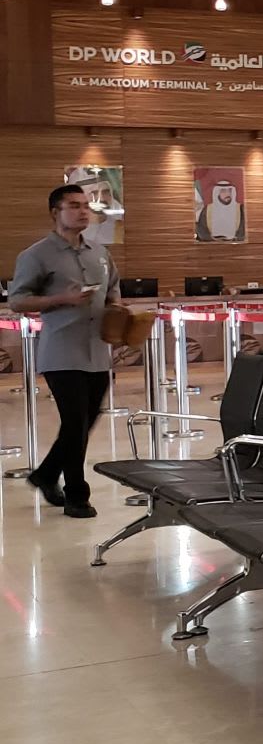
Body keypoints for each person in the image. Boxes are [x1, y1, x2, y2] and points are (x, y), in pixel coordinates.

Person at [7, 184, 121, 518]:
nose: (83, 211)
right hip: (62, 351)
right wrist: (62, 299)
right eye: (74, 205)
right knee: (74, 423)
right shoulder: (36, 255)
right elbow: (17, 300)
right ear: (55, 212)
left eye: (86, 205)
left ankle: (45, 474)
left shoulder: (99, 252)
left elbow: (113, 287)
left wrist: (116, 307)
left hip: (98, 350)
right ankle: (76, 495)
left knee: (85, 422)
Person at [197, 176, 245, 242]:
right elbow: (202, 232)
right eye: (224, 191)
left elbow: (243, 232)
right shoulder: (208, 210)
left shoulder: (240, 209)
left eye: (229, 191)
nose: (228, 194)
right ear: (217, 193)